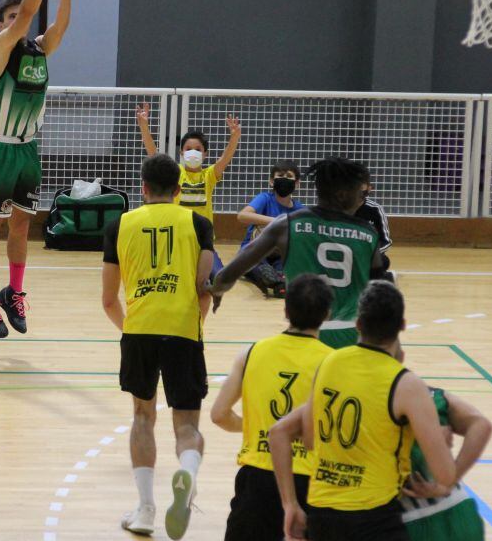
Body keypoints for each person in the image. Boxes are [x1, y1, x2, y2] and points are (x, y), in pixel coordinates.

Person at [267, 281, 456, 541]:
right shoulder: (406, 383)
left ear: (358, 324)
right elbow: (445, 474)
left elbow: (310, 441)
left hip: (322, 513)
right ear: (402, 326)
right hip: (375, 517)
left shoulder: (329, 362)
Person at [102, 153, 215, 540]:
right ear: (179, 190)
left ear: (143, 188)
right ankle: (188, 471)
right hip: (183, 330)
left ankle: (146, 510)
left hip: (140, 330)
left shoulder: (120, 225)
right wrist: (191, 326)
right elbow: (205, 292)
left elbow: (107, 299)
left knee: (142, 417)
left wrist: (129, 329)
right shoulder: (198, 224)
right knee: (186, 424)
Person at [0, 0, 77, 338]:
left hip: (28, 149)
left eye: (19, 17)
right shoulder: (0, 50)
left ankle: (13, 292)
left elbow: (59, 27)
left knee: (21, 224)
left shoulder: (39, 51)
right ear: (3, 24)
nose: (20, 21)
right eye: (11, 17)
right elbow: (29, 12)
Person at [210, 273, 334, 541]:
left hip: (258, 479)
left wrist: (255, 426)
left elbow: (219, 415)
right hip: (311, 481)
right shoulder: (334, 363)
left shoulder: (251, 353)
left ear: (286, 309)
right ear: (327, 314)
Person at [212, 157, 383, 349]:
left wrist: (217, 290)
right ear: (343, 194)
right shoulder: (368, 233)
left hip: (302, 337)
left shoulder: (287, 223)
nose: (363, 197)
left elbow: (228, 273)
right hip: (350, 337)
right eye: (361, 193)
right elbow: (380, 290)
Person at [136, 104, 241, 276]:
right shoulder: (176, 172)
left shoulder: (209, 175)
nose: (193, 152)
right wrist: (144, 127)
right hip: (178, 240)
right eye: (189, 149)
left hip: (203, 242)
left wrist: (234, 137)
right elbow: (153, 154)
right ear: (182, 153)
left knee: (216, 278)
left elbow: (225, 158)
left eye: (198, 150)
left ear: (205, 154)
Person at [400, 387, 492, 541]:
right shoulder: (433, 395)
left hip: (409, 520)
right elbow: (481, 424)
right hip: (460, 510)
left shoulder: (375, 404)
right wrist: (450, 481)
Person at [236, 159, 303, 297]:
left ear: (297, 183)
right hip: (255, 250)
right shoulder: (265, 198)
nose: (284, 179)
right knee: (254, 264)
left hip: (279, 254)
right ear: (272, 181)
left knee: (285, 266)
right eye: (280, 176)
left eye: (289, 176)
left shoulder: (299, 209)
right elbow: (242, 216)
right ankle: (270, 278)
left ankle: (279, 283)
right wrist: (276, 222)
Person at [356, 180, 395, 282]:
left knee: (383, 261)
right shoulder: (342, 209)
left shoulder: (375, 209)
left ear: (369, 188)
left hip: (369, 254)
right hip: (347, 251)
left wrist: (371, 253)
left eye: (363, 187)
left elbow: (386, 241)